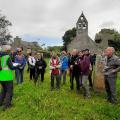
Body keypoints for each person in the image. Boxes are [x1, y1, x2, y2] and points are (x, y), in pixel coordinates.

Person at [0, 45, 20, 110]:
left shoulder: (1, 57)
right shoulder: (7, 56)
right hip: (7, 77)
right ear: (7, 50)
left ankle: (1, 102)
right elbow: (11, 67)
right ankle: (7, 105)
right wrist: (17, 66)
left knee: (3, 90)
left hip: (1, 77)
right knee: (9, 91)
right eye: (10, 50)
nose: (11, 51)